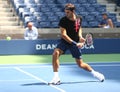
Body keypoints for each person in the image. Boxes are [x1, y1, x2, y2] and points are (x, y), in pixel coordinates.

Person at [48, 3, 105, 85]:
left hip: (75, 42)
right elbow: (63, 35)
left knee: (80, 64)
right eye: (65, 12)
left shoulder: (79, 19)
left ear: (73, 11)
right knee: (55, 53)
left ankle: (95, 74)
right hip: (65, 41)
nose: (66, 14)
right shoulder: (63, 20)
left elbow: (79, 28)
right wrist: (75, 43)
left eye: (68, 12)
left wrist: (80, 36)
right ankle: (56, 78)